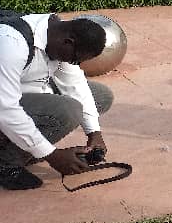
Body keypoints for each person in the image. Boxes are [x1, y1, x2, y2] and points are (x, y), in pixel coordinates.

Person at [0, 12, 114, 190]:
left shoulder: (57, 34)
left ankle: (21, 147)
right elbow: (5, 109)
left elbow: (76, 86)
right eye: (75, 59)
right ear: (68, 41)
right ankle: (6, 165)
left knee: (100, 96)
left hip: (24, 93)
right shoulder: (11, 43)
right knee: (68, 110)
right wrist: (51, 155)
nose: (74, 63)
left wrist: (94, 133)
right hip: (4, 104)